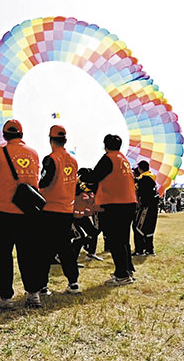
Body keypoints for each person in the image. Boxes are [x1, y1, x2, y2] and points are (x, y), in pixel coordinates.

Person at [0, 119, 43, 308]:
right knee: (29, 254)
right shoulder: (34, 153)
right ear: (21, 134)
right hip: (28, 212)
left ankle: (5, 298)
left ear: (5, 136)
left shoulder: (0, 152)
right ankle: (34, 294)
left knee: (4, 255)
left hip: (6, 211)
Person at [86, 134, 137, 286]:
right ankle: (127, 270)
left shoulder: (108, 158)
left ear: (105, 145)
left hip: (114, 203)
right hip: (129, 203)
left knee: (115, 240)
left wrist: (84, 174)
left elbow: (94, 176)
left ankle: (121, 275)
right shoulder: (123, 159)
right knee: (123, 240)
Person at [37, 125, 81, 294]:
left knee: (45, 249)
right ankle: (73, 283)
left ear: (50, 140)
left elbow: (44, 182)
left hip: (50, 209)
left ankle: (42, 286)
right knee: (65, 248)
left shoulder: (51, 159)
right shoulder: (73, 160)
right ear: (65, 141)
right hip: (67, 210)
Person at [132, 161, 159, 256]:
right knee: (149, 228)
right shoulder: (151, 177)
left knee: (137, 226)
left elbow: (136, 183)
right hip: (153, 207)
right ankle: (149, 249)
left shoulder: (144, 178)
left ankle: (139, 250)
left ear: (140, 168)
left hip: (146, 207)